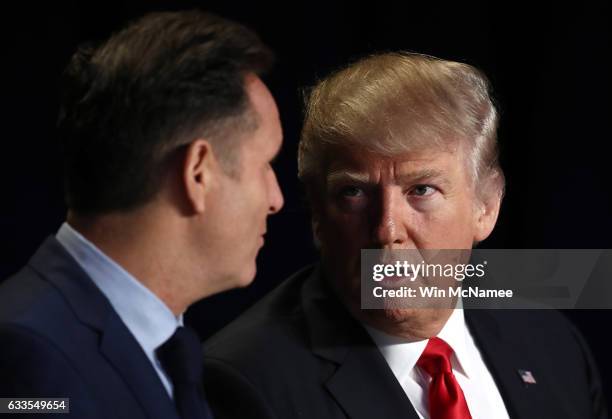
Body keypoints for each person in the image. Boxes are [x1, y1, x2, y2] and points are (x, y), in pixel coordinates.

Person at [202, 53, 607, 419]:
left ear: (486, 207)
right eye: (354, 193)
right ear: (317, 215)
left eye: (421, 190)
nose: (387, 231)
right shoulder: (246, 382)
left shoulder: (550, 342)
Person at [0, 10, 283, 419]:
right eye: (266, 164)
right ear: (198, 173)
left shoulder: (162, 348)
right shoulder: (29, 359)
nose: (276, 199)